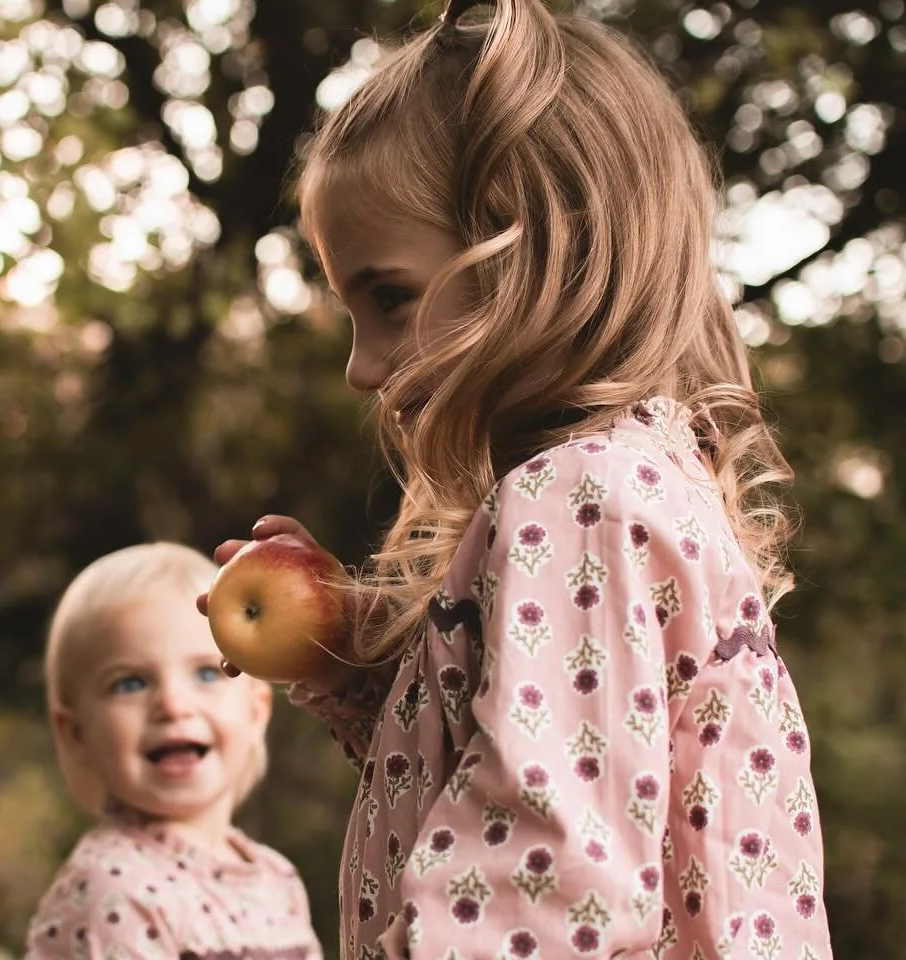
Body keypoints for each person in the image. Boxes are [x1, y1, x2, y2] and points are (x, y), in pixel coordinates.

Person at [200, 0, 833, 956]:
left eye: (389, 297)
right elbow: (505, 778)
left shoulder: (573, 499)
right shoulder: (639, 483)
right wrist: (355, 671)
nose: (361, 369)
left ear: (544, 249)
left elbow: (549, 885)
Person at [25, 542, 323, 960]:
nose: (172, 705)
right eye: (130, 683)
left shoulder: (276, 880)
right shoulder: (114, 888)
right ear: (76, 733)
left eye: (206, 673)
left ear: (257, 710)